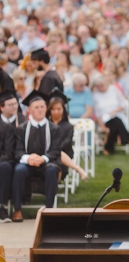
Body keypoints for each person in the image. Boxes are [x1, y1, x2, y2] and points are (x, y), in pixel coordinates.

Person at [12, 90, 62, 222]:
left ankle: (49, 209)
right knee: (19, 170)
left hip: (47, 163)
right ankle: (17, 209)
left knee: (52, 170)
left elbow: (56, 150)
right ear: (29, 110)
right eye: (36, 107)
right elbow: (17, 151)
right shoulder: (22, 129)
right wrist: (28, 158)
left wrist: (43, 158)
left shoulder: (54, 129)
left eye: (42, 107)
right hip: (28, 163)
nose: (40, 110)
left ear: (46, 108)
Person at [92, 75, 129, 155]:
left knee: (115, 123)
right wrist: (102, 126)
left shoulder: (113, 89)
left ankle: (108, 148)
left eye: (101, 85)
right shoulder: (95, 95)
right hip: (105, 118)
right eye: (98, 86)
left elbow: (123, 104)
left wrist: (115, 110)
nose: (100, 87)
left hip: (117, 113)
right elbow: (97, 113)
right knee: (116, 121)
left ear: (105, 83)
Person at [0, 111, 15, 222]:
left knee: (5, 167)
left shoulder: (6, 127)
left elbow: (8, 152)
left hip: (2, 161)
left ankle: (1, 206)